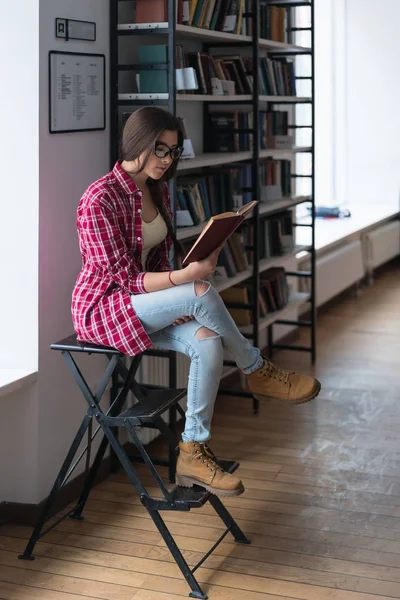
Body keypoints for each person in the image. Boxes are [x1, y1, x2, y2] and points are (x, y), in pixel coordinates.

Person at [72, 107, 321, 498]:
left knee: (206, 339)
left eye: (173, 151)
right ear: (136, 142)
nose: (166, 160)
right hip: (105, 309)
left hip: (147, 303)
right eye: (160, 149)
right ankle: (256, 368)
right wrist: (187, 279)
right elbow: (126, 280)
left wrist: (200, 259)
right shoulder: (97, 198)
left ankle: (191, 450)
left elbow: (155, 264)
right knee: (201, 291)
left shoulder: (158, 190)